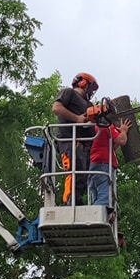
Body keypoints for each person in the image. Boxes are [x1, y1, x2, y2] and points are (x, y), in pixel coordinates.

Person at [52, 72, 99, 205]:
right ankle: (69, 203)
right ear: (83, 83)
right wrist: (77, 118)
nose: (92, 91)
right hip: (69, 141)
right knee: (72, 173)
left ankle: (77, 202)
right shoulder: (69, 93)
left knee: (82, 178)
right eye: (91, 87)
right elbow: (56, 108)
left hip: (85, 145)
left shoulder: (89, 105)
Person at [88, 117, 131, 208]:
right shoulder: (106, 126)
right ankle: (97, 216)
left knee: (95, 194)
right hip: (104, 164)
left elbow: (112, 147)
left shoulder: (93, 128)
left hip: (92, 164)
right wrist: (123, 131)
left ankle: (94, 213)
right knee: (105, 196)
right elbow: (121, 140)